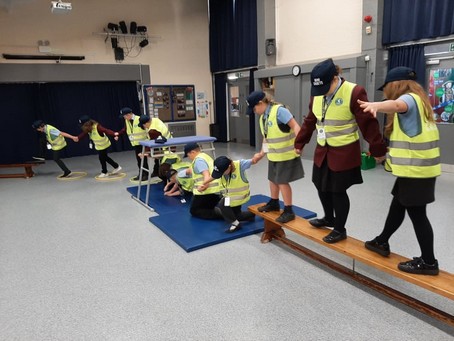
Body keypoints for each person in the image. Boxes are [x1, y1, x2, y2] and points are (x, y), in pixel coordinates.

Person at [358, 66, 441, 275]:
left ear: (395, 85)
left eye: (386, 88)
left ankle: (429, 262)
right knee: (398, 205)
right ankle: (382, 241)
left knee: (418, 215)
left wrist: (377, 105)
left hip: (416, 172)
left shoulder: (409, 99)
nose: (385, 93)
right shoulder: (421, 102)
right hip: (415, 171)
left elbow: (396, 104)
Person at [294, 58, 387, 244]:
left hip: (344, 151)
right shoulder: (318, 95)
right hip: (323, 150)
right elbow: (310, 121)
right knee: (320, 185)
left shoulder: (355, 92)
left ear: (335, 78)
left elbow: (368, 124)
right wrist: (300, 143)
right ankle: (329, 217)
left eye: (325, 87)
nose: (320, 92)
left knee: (337, 191)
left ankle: (339, 229)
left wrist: (377, 149)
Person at [246, 90, 304, 224]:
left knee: (282, 181)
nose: (254, 111)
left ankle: (289, 210)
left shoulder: (279, 111)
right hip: (273, 156)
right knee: (272, 179)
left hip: (285, 155)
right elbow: (267, 138)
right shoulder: (263, 118)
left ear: (261, 103)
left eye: (254, 108)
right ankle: (274, 202)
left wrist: (299, 144)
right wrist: (261, 154)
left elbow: (296, 126)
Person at [199, 153, 265, 232]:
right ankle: (251, 215)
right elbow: (214, 176)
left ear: (229, 167)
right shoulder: (221, 169)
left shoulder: (240, 165)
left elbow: (253, 161)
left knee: (222, 204)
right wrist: (204, 183)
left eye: (222, 172)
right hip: (230, 197)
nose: (221, 174)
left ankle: (236, 224)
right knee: (237, 215)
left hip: (239, 197)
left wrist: (260, 154)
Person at [184, 142, 221, 220]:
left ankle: (225, 214)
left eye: (188, 155)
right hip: (216, 191)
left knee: (194, 211)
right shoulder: (205, 156)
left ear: (193, 152)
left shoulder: (198, 161)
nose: (189, 157)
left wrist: (204, 186)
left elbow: (206, 175)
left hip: (207, 192)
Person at [116, 107, 149, 181]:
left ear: (128, 115)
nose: (124, 118)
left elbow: (147, 128)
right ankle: (141, 174)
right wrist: (118, 134)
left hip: (143, 143)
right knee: (139, 160)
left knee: (143, 160)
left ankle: (145, 175)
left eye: (124, 116)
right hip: (136, 144)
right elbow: (125, 129)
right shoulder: (127, 121)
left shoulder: (139, 119)